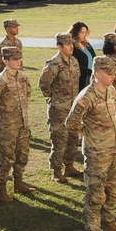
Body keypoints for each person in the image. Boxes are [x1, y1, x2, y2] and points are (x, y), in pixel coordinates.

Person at [66, 55, 116, 231]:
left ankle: (109, 222)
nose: (114, 75)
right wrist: (87, 134)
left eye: (114, 71)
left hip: (114, 150)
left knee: (113, 190)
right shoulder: (86, 97)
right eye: (109, 72)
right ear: (97, 74)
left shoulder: (111, 91)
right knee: (96, 192)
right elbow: (71, 123)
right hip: (97, 153)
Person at [0, 46, 34, 202]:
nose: (18, 62)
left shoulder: (23, 76)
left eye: (19, 59)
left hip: (23, 123)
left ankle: (18, 183)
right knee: (7, 157)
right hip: (8, 126)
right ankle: (2, 189)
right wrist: (2, 110)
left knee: (22, 154)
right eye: (14, 59)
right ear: (6, 61)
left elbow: (28, 93)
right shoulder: (1, 79)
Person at [38, 32, 82, 183]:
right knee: (59, 140)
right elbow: (43, 85)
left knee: (73, 138)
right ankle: (56, 171)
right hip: (59, 109)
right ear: (59, 46)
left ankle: (69, 166)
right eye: (68, 44)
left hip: (73, 108)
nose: (71, 46)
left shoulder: (74, 61)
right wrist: (55, 98)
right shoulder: (53, 64)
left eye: (72, 44)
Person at [70, 21, 96, 91]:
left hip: (91, 78)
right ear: (76, 33)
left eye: (85, 33)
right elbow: (76, 64)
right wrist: (90, 72)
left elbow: (94, 58)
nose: (84, 35)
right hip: (81, 80)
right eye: (82, 33)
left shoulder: (87, 45)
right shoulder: (72, 47)